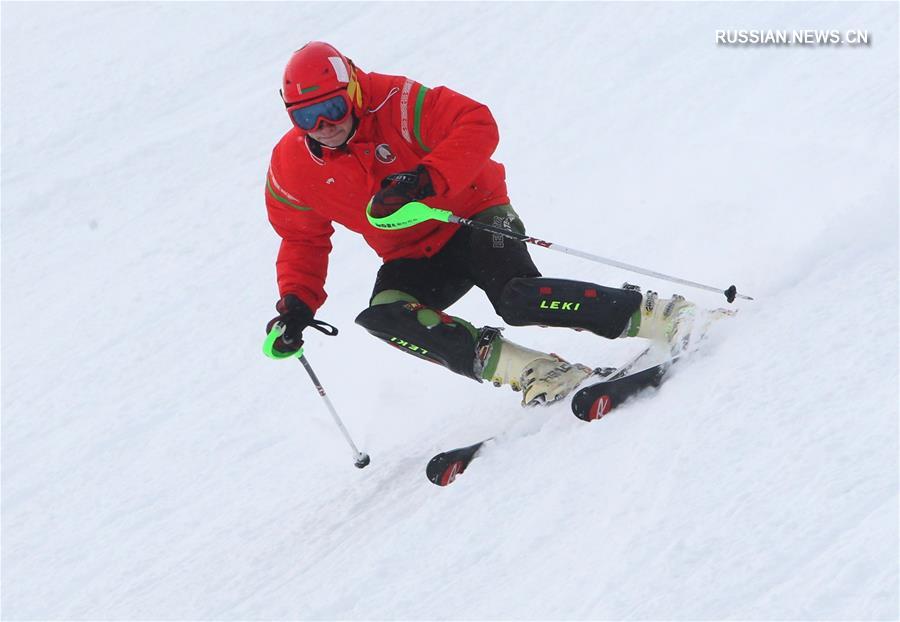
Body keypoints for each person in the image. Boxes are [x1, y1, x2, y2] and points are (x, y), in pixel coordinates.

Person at [264, 42, 693, 406]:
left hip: (471, 215)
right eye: (305, 118)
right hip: (412, 253)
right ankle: (535, 370)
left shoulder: (395, 102)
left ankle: (664, 315)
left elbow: (476, 123)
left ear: (353, 90)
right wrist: (297, 306)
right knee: (385, 316)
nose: (323, 127)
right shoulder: (292, 167)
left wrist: (426, 178)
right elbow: (302, 239)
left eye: (333, 109)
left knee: (517, 299)